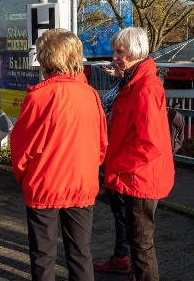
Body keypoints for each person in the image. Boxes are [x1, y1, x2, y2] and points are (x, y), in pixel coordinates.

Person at [10, 28, 107, 281]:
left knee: (43, 257)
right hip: (81, 183)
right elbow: (101, 145)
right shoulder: (90, 95)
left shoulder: (40, 97)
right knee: (80, 253)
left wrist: (24, 177)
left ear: (46, 59)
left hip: (45, 184)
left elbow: (22, 148)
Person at [103, 27, 174, 281]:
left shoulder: (144, 87)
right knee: (138, 241)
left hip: (140, 177)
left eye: (119, 52)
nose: (114, 57)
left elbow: (151, 143)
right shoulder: (133, 82)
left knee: (142, 245)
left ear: (134, 52)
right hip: (137, 175)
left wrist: (118, 165)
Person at [94, 62, 131, 274]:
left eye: (119, 54)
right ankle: (121, 256)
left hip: (121, 160)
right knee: (119, 212)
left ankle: (128, 261)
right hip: (111, 157)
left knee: (126, 215)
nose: (113, 61)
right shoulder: (120, 84)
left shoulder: (131, 88)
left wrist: (107, 120)